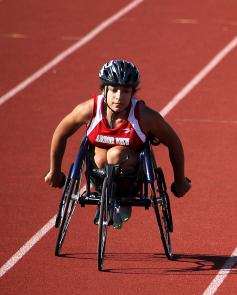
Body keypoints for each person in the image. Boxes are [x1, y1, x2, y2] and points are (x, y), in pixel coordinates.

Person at [44, 59, 191, 228]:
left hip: (132, 174)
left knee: (115, 154)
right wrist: (54, 171)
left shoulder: (144, 116)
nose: (119, 97)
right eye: (114, 90)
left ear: (132, 93)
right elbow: (60, 133)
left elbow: (174, 142)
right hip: (98, 171)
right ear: (103, 89)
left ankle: (120, 200)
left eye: (126, 91)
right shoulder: (88, 110)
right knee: (100, 159)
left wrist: (180, 180)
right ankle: (105, 195)